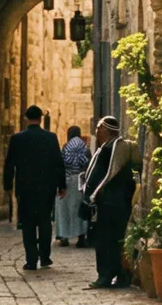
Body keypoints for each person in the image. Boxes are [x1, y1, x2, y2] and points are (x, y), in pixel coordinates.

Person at [3, 104, 67, 271]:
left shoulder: (17, 139)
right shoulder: (51, 138)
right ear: (40, 118)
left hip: (25, 188)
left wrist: (8, 185)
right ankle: (45, 257)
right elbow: (58, 164)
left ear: (26, 118)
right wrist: (62, 185)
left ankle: (31, 260)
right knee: (45, 222)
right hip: (46, 187)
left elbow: (10, 164)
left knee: (28, 224)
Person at [83, 115, 136, 290]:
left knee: (108, 241)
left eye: (100, 128)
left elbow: (111, 177)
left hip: (111, 205)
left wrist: (97, 194)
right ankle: (115, 274)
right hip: (106, 205)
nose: (97, 132)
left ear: (109, 130)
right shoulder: (104, 148)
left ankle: (107, 275)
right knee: (107, 240)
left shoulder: (113, 149)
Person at [55, 126, 90, 246]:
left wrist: (60, 185)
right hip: (81, 182)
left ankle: (64, 237)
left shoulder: (66, 147)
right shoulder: (84, 147)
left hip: (66, 181)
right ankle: (81, 237)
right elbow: (88, 165)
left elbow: (60, 165)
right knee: (79, 210)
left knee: (63, 210)